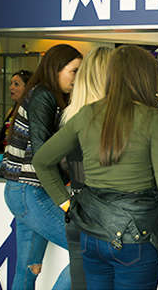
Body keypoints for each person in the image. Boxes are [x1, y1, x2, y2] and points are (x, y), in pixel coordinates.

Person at [33, 45, 158, 290]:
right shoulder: (151, 118)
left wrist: (65, 202)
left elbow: (42, 161)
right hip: (137, 235)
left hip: (92, 233)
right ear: (144, 77)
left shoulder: (86, 114)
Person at [0, 44, 82, 290]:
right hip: (30, 191)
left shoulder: (44, 94)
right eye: (74, 71)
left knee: (28, 269)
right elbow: (44, 152)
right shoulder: (44, 95)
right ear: (57, 68)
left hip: (24, 190)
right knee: (86, 250)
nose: (77, 78)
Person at [60, 46, 112, 290]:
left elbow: (70, 169)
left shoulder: (70, 115)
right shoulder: (110, 121)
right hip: (105, 219)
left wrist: (67, 202)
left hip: (79, 213)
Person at [0, 69, 32, 151]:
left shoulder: (31, 112)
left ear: (28, 88)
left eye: (16, 84)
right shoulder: (12, 110)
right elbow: (1, 144)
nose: (11, 87)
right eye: (11, 83)